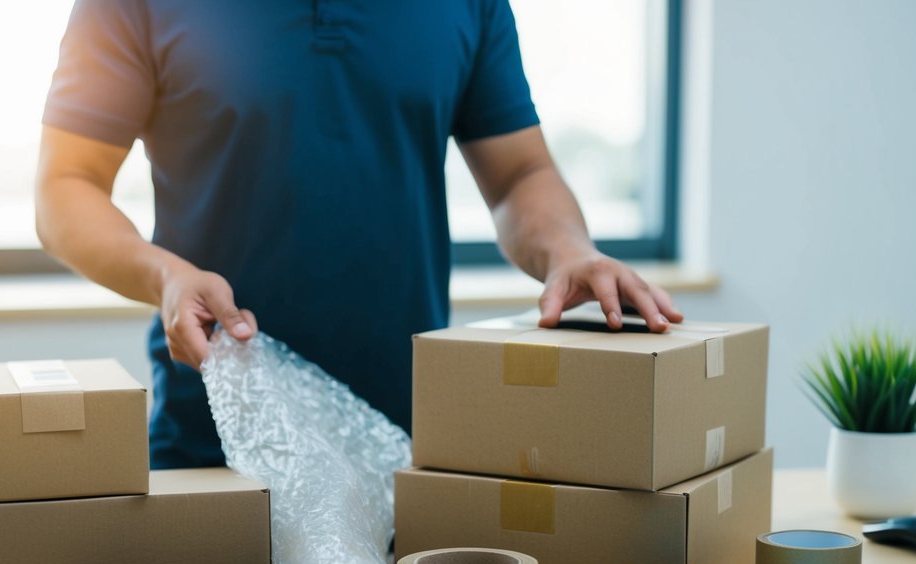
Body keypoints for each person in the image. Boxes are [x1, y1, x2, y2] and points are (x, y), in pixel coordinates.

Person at [35, 0, 684, 470]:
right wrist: (166, 276)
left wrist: (568, 249)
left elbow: (519, 174)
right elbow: (65, 188)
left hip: (412, 450)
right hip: (217, 442)